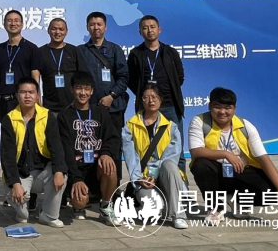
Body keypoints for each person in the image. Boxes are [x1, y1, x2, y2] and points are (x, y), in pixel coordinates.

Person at [188, 87, 278, 223]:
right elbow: (196, 151)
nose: (222, 112)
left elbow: (263, 158)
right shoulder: (199, 122)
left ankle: (236, 200)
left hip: (240, 171)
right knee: (200, 164)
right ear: (209, 106)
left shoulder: (245, 126)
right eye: (217, 107)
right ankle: (215, 208)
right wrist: (226, 154)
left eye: (227, 108)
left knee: (272, 193)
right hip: (215, 171)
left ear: (234, 108)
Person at [0, 77, 67, 227]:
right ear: (17, 95)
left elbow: (56, 147)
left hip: (42, 171)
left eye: (31, 92)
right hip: (21, 173)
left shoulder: (47, 115)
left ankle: (48, 216)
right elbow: (7, 156)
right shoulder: (9, 119)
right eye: (23, 92)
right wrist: (15, 183)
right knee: (23, 216)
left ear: (37, 95)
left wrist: (59, 171)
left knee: (61, 174)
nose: (27, 96)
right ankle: (21, 208)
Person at [58, 71, 121, 226]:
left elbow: (113, 138)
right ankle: (77, 207)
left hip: (96, 169)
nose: (83, 93)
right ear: (72, 89)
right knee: (79, 201)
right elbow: (65, 151)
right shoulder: (64, 116)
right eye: (79, 88)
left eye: (86, 89)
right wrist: (76, 178)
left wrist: (106, 154)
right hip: (76, 169)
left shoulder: (101, 113)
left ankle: (105, 206)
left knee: (110, 166)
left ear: (92, 91)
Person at [122, 84, 188, 229]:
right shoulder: (130, 126)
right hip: (144, 179)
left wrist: (154, 175)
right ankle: (161, 207)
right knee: (154, 213)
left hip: (166, 177)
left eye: (154, 97)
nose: (151, 101)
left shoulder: (171, 127)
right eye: (146, 97)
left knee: (169, 164)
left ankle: (179, 216)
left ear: (160, 100)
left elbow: (172, 156)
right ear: (141, 100)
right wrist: (139, 178)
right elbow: (131, 157)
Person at [127, 15, 186, 175]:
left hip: (170, 106)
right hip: (147, 108)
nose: (149, 30)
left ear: (159, 30)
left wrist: (164, 94)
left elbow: (180, 77)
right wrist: (146, 97)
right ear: (140, 32)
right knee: (147, 148)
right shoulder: (136, 53)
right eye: (145, 28)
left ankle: (181, 186)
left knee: (177, 150)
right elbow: (131, 80)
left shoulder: (170, 52)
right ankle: (147, 182)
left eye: (152, 27)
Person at [78, 11, 129, 182]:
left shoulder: (115, 49)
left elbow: (123, 77)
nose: (96, 27)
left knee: (113, 146)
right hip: (89, 110)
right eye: (92, 24)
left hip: (113, 109)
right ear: (87, 27)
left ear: (105, 27)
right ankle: (91, 185)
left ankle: (114, 186)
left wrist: (111, 96)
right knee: (89, 146)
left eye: (99, 24)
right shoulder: (81, 51)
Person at [0, 10, 42, 121]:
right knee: (7, 131)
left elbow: (35, 76)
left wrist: (37, 99)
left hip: (24, 101)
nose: (13, 23)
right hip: (4, 101)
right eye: (9, 20)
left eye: (16, 20)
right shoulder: (0, 49)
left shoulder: (31, 48)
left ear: (22, 24)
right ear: (4, 24)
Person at [39, 18, 82, 113]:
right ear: (48, 30)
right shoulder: (40, 52)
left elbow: (82, 77)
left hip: (72, 105)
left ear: (66, 32)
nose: (57, 32)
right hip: (48, 106)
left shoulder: (74, 51)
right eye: (54, 29)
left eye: (61, 29)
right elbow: (35, 79)